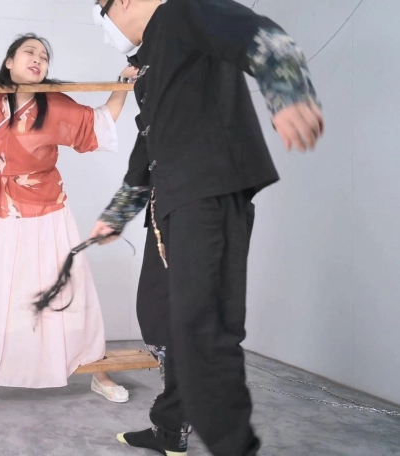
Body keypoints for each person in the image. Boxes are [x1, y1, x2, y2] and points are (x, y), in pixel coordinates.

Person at [87, 1, 324, 455]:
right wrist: (117, 214)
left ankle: (232, 447)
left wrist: (287, 90)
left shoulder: (180, 12)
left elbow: (261, 34)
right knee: (162, 319)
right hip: (170, 206)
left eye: (101, 9)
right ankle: (170, 427)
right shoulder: (151, 59)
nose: (103, 26)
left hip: (206, 195)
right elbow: (149, 142)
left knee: (202, 332)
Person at [0, 33, 138, 417]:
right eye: (29, 52)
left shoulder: (55, 105)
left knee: (69, 292)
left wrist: (122, 85)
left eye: (44, 56)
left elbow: (97, 123)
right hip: (6, 211)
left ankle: (96, 371)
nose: (38, 59)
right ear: (9, 62)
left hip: (52, 210)